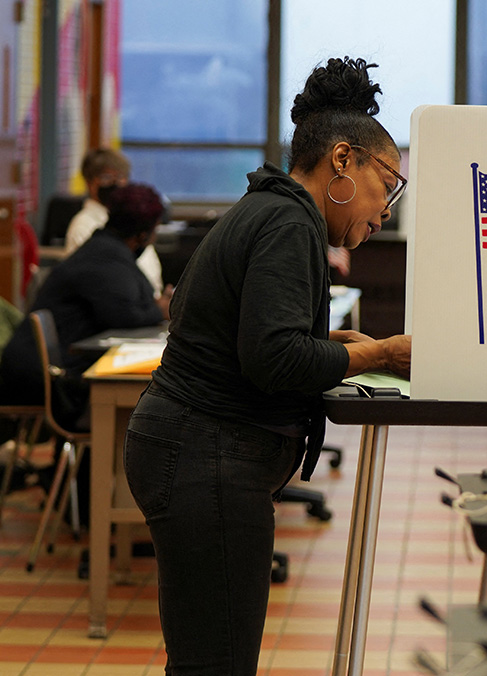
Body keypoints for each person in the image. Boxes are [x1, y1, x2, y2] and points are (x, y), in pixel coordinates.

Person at [123, 56, 411, 675]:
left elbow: (253, 333)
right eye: (386, 183)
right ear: (342, 160)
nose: (386, 207)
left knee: (206, 658)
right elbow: (274, 357)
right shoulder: (288, 222)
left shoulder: (275, 210)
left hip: (195, 450)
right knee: (216, 664)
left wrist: (339, 341)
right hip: (207, 455)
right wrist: (382, 352)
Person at [0, 183, 170, 431]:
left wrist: (155, 306)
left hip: (49, 372)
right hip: (45, 382)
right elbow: (126, 315)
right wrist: (162, 309)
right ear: (144, 234)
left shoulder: (107, 249)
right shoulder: (103, 258)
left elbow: (137, 299)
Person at [65, 148, 165, 297]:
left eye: (121, 177)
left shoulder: (127, 219)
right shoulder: (84, 225)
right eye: (106, 177)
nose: (116, 183)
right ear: (89, 182)